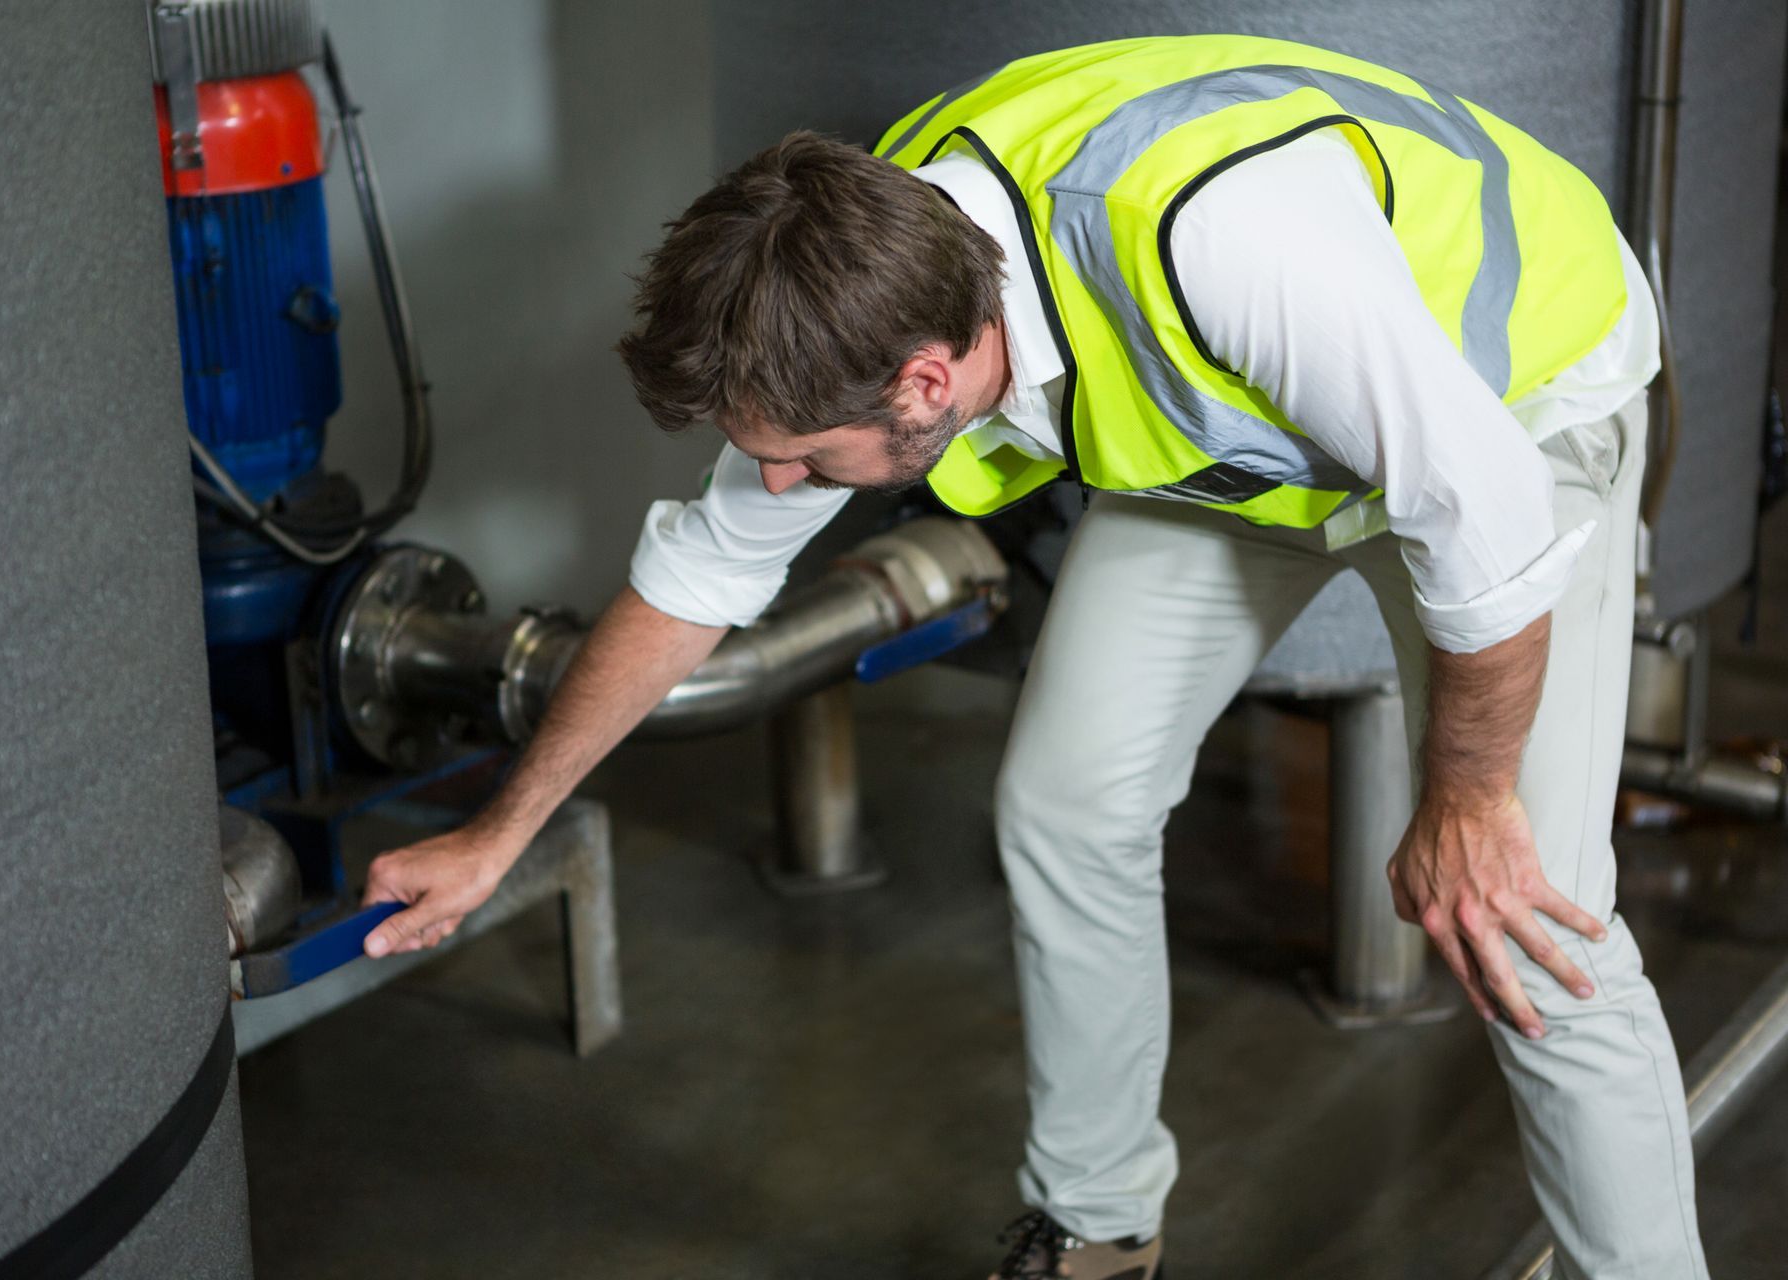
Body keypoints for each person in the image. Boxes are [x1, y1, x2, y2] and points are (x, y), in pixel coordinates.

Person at [360, 35, 1704, 1280]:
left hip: (1521, 405)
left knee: (1533, 921)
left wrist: (1469, 807)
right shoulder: (855, 295)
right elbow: (698, 576)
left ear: (926, 388)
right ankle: (1100, 1226)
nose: (771, 480)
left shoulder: (1218, 247)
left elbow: (1487, 526)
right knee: (1069, 796)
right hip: (1265, 444)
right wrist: (501, 828)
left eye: (800, 460)